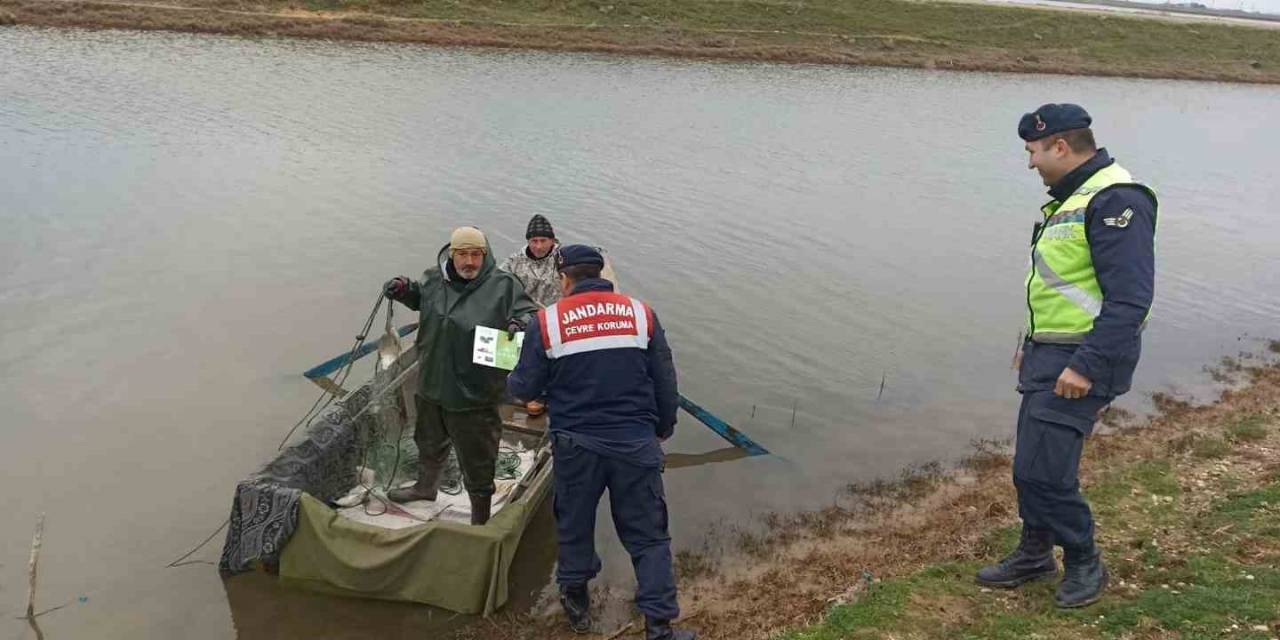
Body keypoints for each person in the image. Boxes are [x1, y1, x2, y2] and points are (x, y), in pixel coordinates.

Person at [975, 104, 1158, 609]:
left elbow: (1129, 301)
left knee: (1046, 473)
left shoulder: (1116, 199)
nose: (1029, 163)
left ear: (1060, 146)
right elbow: (1060, 288)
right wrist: (1028, 346)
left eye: (1032, 152)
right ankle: (1035, 552)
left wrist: (1085, 365)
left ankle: (1084, 561)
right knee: (1029, 466)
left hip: (1081, 361)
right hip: (1048, 355)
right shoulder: (1070, 200)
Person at [507, 245, 693, 640]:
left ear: (564, 279)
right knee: (648, 536)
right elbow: (665, 382)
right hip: (635, 443)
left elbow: (524, 386)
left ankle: (576, 608)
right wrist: (662, 428)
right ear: (601, 274)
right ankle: (659, 627)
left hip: (577, 447)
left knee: (574, 526)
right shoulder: (641, 314)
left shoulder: (547, 322)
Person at [382, 226, 539, 525]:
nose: (470, 262)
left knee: (478, 459)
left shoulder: (503, 285)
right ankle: (425, 488)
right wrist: (404, 290)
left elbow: (529, 312)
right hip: (431, 384)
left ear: (485, 254)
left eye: (476, 254)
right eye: (463, 254)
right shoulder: (433, 279)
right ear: (452, 255)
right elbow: (420, 298)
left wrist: (521, 323)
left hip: (474, 393)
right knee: (428, 441)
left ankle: (479, 518)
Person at [500, 214, 562, 308]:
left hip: (554, 315)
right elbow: (498, 284)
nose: (538, 246)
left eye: (543, 241)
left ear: (552, 241)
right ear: (528, 241)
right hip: (521, 314)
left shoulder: (564, 261)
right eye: (534, 241)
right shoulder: (513, 262)